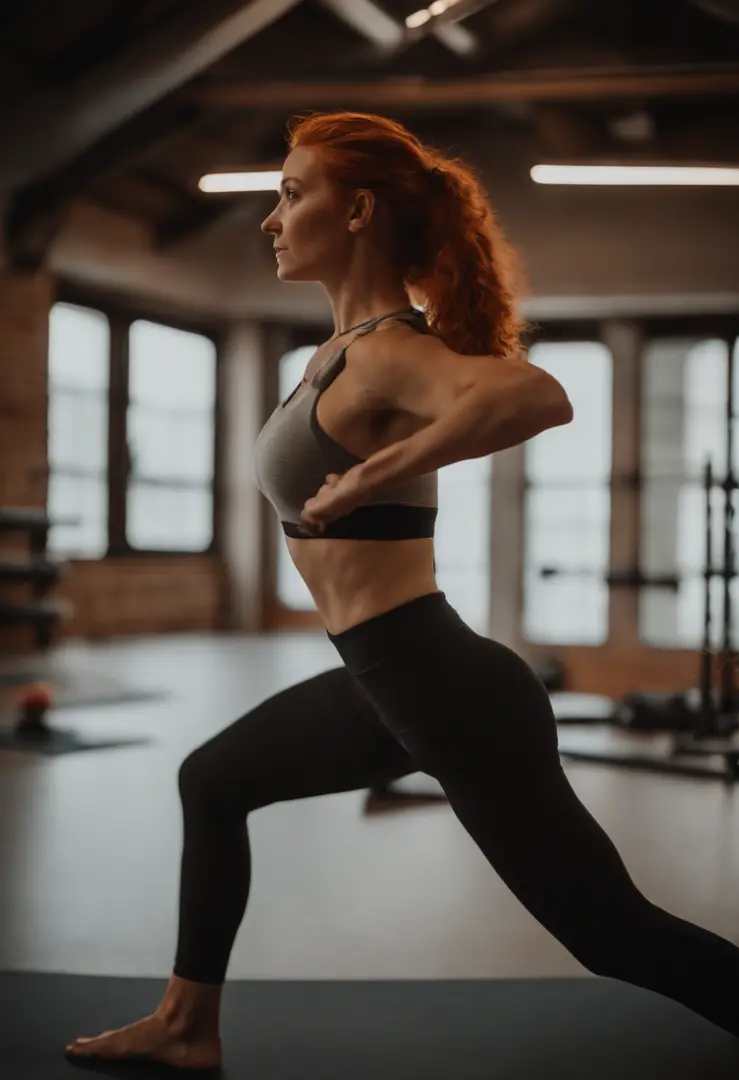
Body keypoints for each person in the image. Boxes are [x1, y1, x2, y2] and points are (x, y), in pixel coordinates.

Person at [65, 111, 739, 1069]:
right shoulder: (335, 355)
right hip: (386, 682)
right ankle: (186, 1026)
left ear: (358, 211)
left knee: (614, 934)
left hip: (442, 689)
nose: (271, 217)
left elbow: (538, 395)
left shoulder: (386, 350)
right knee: (212, 782)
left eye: (292, 193)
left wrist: (383, 472)